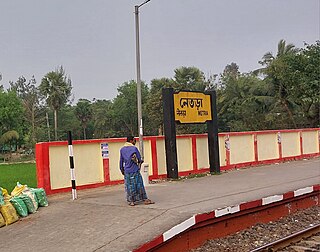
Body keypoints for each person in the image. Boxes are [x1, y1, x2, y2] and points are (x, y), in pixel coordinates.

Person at [119, 136, 154, 206]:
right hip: (135, 170)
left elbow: (121, 161)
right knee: (139, 184)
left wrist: (121, 169)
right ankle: (144, 199)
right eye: (134, 140)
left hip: (127, 170)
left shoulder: (122, 149)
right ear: (131, 141)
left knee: (129, 185)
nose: (135, 142)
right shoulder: (134, 148)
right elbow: (139, 158)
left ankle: (131, 201)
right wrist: (140, 162)